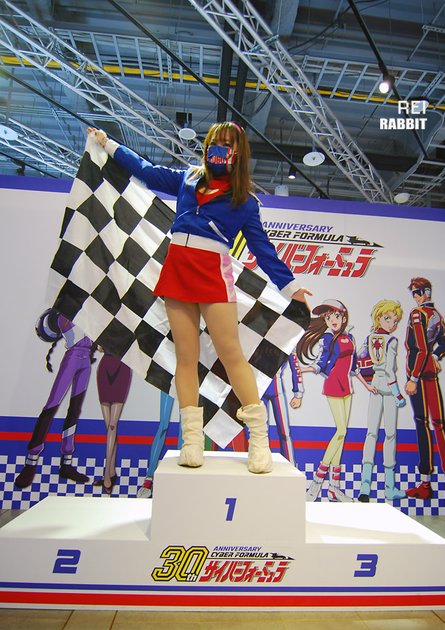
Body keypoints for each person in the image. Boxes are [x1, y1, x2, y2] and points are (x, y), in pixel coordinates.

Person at [88, 122, 311, 474]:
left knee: (231, 354)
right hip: (177, 271)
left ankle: (259, 439)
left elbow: (263, 249)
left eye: (227, 143)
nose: (219, 147)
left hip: (212, 274)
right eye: (215, 141)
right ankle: (191, 441)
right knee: (185, 358)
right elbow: (146, 170)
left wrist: (291, 287)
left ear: (238, 153)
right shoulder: (189, 178)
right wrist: (109, 144)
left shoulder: (245, 201)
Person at [296, 299, 376, 501]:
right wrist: (304, 369)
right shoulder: (327, 338)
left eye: (336, 316)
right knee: (340, 431)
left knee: (342, 434)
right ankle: (317, 482)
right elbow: (321, 361)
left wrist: (366, 385)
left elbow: (354, 366)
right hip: (333, 385)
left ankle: (334, 488)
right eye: (328, 317)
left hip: (347, 387)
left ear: (344, 316)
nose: (332, 320)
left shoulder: (350, 337)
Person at [15, 309, 95, 489]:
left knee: (75, 410)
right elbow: (51, 327)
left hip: (85, 361)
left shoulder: (89, 312)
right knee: (52, 406)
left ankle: (66, 463)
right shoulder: (65, 313)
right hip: (73, 358)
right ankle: (31, 462)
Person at [404, 277, 445, 500]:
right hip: (430, 371)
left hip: (419, 372)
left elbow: (421, 349)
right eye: (413, 293)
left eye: (417, 292)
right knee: (439, 424)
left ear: (426, 292)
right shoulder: (437, 315)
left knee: (422, 423)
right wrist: (435, 357)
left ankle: (425, 483)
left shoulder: (418, 314)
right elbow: (443, 345)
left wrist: (413, 377)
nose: (415, 296)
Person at [357, 300, 406, 502]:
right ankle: (389, 487)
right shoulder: (391, 341)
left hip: (374, 387)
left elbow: (358, 361)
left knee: (371, 433)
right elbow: (390, 371)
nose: (392, 323)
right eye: (388, 318)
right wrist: (398, 394)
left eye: (395, 320)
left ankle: (364, 487)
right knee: (390, 435)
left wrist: (368, 383)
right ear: (378, 317)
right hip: (387, 388)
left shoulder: (369, 338)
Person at [94, 351, 132, 495]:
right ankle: (111, 472)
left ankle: (107, 474)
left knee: (112, 426)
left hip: (122, 368)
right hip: (104, 368)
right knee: (110, 427)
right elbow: (100, 347)